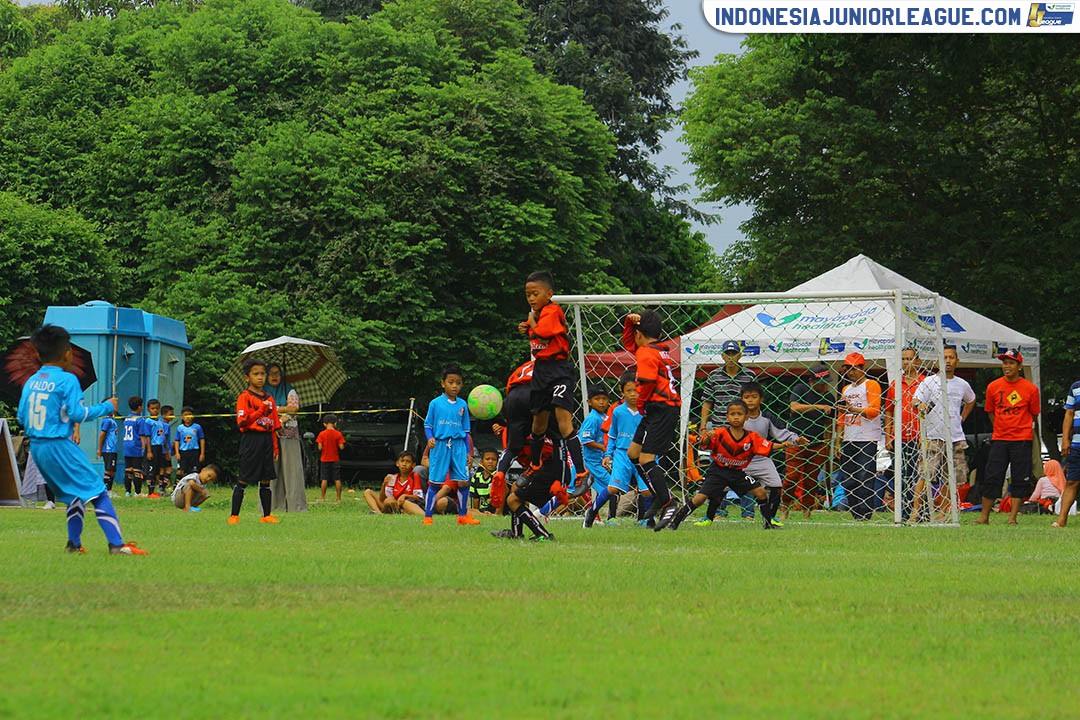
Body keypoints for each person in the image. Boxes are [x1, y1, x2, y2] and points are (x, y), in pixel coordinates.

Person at [16, 325, 147, 555]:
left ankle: (73, 544)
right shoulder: (67, 381)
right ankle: (117, 545)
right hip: (59, 445)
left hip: (37, 448)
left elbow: (20, 416)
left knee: (75, 493)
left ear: (38, 354)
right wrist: (106, 407)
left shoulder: (31, 382)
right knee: (98, 491)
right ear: (67, 353)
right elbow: (77, 414)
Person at [668, 400, 795, 531]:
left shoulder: (751, 437)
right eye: (732, 414)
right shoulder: (720, 433)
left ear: (746, 417)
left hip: (737, 473)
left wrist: (783, 445)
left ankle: (768, 524)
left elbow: (767, 445)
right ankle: (675, 523)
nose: (736, 417)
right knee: (700, 498)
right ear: (727, 417)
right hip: (718, 472)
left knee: (761, 493)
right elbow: (704, 444)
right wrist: (707, 437)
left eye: (739, 414)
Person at [519, 271, 587, 488]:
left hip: (559, 371)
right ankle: (535, 464)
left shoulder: (552, 310)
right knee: (538, 424)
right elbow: (536, 334)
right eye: (528, 294)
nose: (531, 298)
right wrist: (527, 326)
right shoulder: (539, 315)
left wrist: (530, 321)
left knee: (563, 420)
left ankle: (582, 472)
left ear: (549, 294)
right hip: (541, 371)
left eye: (535, 293)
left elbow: (544, 333)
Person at [622, 310, 681, 529]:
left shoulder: (646, 353)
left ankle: (669, 502)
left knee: (646, 459)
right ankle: (659, 495)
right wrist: (629, 323)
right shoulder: (657, 350)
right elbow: (630, 343)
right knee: (633, 454)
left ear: (639, 334)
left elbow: (646, 382)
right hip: (660, 407)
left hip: (661, 408)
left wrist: (640, 404)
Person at [910, 345, 975, 523]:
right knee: (925, 475)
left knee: (951, 477)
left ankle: (943, 513)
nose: (948, 361)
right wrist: (920, 406)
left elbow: (971, 400)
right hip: (933, 435)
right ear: (938, 360)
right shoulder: (929, 381)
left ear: (957, 361)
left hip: (955, 436)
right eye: (944, 357)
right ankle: (916, 511)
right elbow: (915, 400)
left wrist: (962, 418)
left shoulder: (962, 384)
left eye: (951, 357)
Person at [976, 348, 1040, 525]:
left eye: (1011, 362)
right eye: (1005, 362)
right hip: (1000, 438)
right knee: (992, 476)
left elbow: (1034, 413)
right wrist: (1001, 427)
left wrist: (1019, 426)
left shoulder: (1031, 389)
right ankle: (984, 517)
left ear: (1019, 366)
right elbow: (990, 412)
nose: (1007, 366)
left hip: (1022, 439)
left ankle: (1012, 518)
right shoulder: (993, 387)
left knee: (1020, 478)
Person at [699, 340, 758, 521]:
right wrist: (703, 426)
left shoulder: (749, 375)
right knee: (717, 470)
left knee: (747, 470)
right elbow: (707, 401)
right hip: (719, 429)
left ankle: (748, 512)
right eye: (728, 354)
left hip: (743, 430)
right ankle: (718, 511)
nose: (731, 358)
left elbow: (755, 401)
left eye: (734, 354)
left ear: (739, 355)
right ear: (722, 356)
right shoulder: (714, 376)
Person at [585, 371, 652, 528]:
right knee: (613, 488)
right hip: (622, 454)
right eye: (629, 391)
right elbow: (613, 435)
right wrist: (608, 454)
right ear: (622, 392)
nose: (633, 394)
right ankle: (592, 512)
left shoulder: (648, 411)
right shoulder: (617, 411)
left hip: (642, 455)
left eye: (636, 390)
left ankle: (646, 519)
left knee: (646, 490)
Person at [738, 382, 806, 527]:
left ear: (761, 400)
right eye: (746, 397)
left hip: (762, 459)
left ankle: (770, 518)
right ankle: (711, 515)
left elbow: (782, 433)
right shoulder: (737, 417)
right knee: (719, 487)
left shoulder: (767, 418)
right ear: (741, 400)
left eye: (754, 397)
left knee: (776, 485)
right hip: (739, 460)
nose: (750, 400)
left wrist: (796, 439)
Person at [422, 365, 480, 526]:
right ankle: (428, 517)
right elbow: (428, 425)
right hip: (440, 445)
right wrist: (430, 438)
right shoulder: (435, 403)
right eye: (451, 382)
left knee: (463, 480)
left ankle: (462, 516)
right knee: (435, 482)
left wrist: (469, 452)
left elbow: (466, 431)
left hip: (458, 446)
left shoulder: (462, 405)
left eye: (458, 383)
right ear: (443, 383)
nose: (455, 386)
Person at [230, 357, 282, 525]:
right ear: (247, 377)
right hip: (251, 440)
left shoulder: (270, 399)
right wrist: (261, 410)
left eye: (262, 374)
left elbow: (274, 426)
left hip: (267, 440)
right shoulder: (244, 397)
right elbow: (242, 422)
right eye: (255, 374)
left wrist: (275, 448)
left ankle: (266, 515)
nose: (260, 377)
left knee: (266, 479)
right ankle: (234, 515)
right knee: (244, 478)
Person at [490, 435, 562, 542]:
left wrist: (500, 473)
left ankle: (543, 535)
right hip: (549, 469)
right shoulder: (540, 429)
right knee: (515, 489)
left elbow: (511, 452)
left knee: (512, 500)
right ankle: (516, 533)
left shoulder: (521, 430)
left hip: (547, 471)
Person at [837, 352, 883, 521]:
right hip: (848, 438)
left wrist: (853, 410)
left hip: (867, 438)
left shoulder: (871, 385)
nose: (851, 372)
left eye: (855, 368)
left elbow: (874, 411)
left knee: (865, 476)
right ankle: (856, 513)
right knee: (848, 478)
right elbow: (841, 416)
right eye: (848, 369)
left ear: (863, 368)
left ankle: (865, 514)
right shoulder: (845, 389)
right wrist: (837, 440)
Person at [786, 363, 834, 519]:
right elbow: (794, 407)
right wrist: (818, 407)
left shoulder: (829, 397)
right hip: (796, 440)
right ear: (812, 381)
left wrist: (828, 443)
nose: (824, 386)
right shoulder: (800, 389)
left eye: (826, 382)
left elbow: (829, 423)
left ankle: (807, 513)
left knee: (811, 480)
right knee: (792, 477)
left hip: (818, 442)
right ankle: (784, 508)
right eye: (821, 383)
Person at [884, 347, 924, 519]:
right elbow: (888, 411)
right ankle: (904, 511)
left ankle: (921, 511)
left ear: (917, 361)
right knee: (901, 475)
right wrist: (888, 435)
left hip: (919, 437)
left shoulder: (925, 382)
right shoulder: (895, 384)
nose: (906, 362)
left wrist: (925, 435)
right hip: (900, 437)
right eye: (903, 359)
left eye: (909, 359)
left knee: (920, 475)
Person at [491, 359, 533, 504]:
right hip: (533, 398)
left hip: (513, 398)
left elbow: (510, 384)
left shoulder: (523, 368)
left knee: (511, 449)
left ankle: (500, 472)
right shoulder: (552, 365)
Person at [266, 363, 307, 513]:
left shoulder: (290, 390)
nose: (274, 376)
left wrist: (276, 413)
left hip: (289, 434)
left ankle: (296, 506)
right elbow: (260, 409)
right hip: (268, 434)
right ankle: (272, 506)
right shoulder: (263, 392)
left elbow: (294, 409)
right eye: (271, 373)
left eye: (277, 373)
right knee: (270, 471)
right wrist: (282, 409)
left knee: (292, 470)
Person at [577, 385, 612, 515]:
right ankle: (609, 517)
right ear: (589, 402)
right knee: (612, 486)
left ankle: (593, 514)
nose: (601, 402)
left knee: (603, 489)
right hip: (590, 461)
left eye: (604, 398)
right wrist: (602, 448)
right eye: (597, 399)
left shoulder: (604, 417)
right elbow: (585, 440)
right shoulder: (592, 418)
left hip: (598, 460)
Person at [1054, 378, 1080, 527]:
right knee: (1072, 481)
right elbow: (1069, 414)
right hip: (1077, 443)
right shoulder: (1075, 387)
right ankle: (1062, 520)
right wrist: (1065, 439)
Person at [316, 413, 346, 503]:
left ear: (324, 424)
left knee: (324, 479)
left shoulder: (321, 434)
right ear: (335, 423)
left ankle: (322, 498)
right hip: (335, 459)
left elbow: (319, 448)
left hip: (324, 459)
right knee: (337, 478)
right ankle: (338, 498)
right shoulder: (338, 434)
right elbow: (341, 447)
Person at [121, 396, 147, 497]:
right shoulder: (140, 420)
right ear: (140, 407)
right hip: (136, 446)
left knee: (128, 469)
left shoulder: (127, 418)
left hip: (127, 446)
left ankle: (128, 492)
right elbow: (142, 435)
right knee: (137, 470)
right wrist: (144, 448)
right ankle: (138, 492)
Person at [143, 398, 166, 498]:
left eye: (157, 408)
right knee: (151, 470)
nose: (155, 410)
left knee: (158, 469)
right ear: (148, 409)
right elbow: (148, 437)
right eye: (153, 408)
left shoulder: (161, 421)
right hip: (151, 447)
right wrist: (149, 451)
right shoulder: (148, 421)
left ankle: (156, 490)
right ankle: (150, 492)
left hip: (159, 447)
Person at [173, 406, 206, 476]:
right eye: (185, 415)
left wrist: (202, 453)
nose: (187, 417)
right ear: (182, 417)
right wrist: (177, 452)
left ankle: (192, 485)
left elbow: (202, 440)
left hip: (194, 452)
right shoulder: (180, 428)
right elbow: (177, 440)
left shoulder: (197, 427)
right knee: (180, 471)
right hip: (183, 452)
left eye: (189, 415)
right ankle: (177, 486)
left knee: (194, 471)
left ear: (193, 416)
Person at [470, 449, 500, 514]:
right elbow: (475, 498)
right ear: (481, 462)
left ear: (497, 462)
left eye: (493, 459)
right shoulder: (476, 477)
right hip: (481, 511)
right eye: (487, 459)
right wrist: (477, 512)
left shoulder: (498, 476)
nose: (490, 461)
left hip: (493, 510)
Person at [97, 412, 118, 495]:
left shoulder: (111, 420)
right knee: (109, 470)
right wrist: (100, 449)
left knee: (112, 470)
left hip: (113, 449)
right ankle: (106, 490)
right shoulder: (107, 421)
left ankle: (109, 489)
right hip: (109, 449)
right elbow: (102, 435)